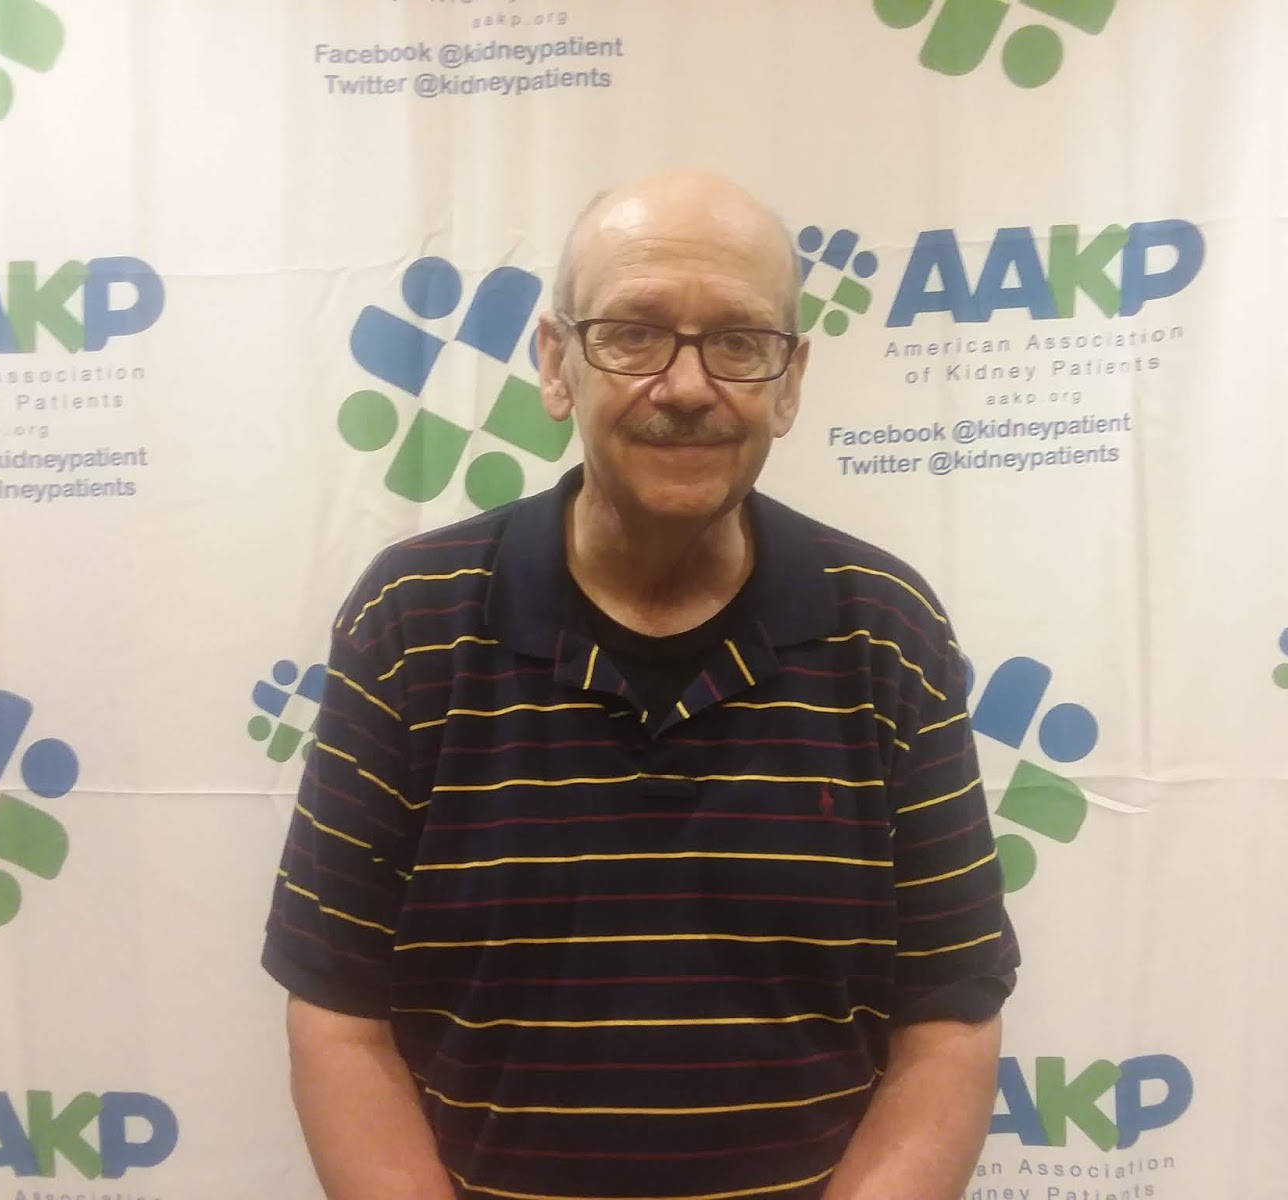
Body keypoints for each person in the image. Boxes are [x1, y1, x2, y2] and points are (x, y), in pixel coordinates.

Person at [262, 170, 1019, 1200]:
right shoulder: (410, 621)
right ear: (556, 363)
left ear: (789, 381)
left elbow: (950, 1017)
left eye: (739, 341)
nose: (687, 386)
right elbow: (338, 1013)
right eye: (633, 333)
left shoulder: (887, 631)